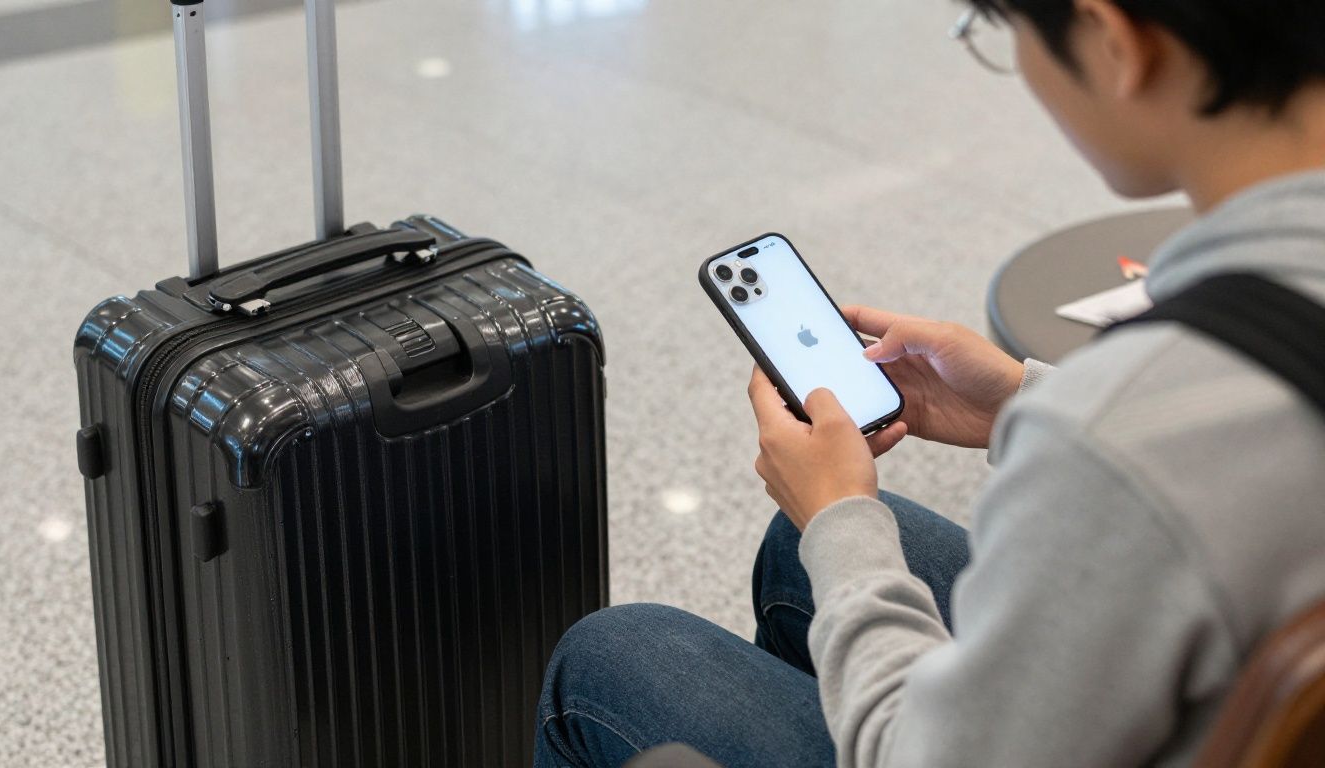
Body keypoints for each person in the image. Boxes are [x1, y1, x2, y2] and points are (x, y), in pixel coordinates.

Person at [535, 0, 1325, 765]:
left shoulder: (1112, 439)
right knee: (800, 550)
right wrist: (1023, 399)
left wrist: (838, 515)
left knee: (610, 656)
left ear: (1114, 38)